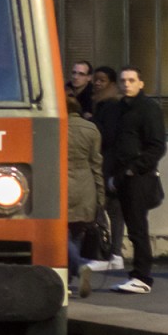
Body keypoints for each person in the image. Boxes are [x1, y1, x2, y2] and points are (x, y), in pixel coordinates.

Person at [110, 67, 167, 294]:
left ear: (141, 83)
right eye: (123, 80)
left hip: (139, 177)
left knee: (138, 227)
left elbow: (157, 146)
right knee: (133, 226)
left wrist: (135, 169)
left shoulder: (148, 109)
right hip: (123, 175)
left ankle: (143, 276)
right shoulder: (120, 109)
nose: (127, 84)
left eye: (131, 80)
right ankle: (138, 275)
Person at [85, 66, 126, 274]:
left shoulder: (109, 106)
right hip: (106, 163)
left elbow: (107, 135)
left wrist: (92, 123)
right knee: (106, 209)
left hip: (109, 164)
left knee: (111, 209)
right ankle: (112, 251)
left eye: (102, 80)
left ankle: (114, 252)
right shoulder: (101, 103)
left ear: (110, 83)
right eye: (96, 80)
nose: (98, 83)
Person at [65, 95, 105, 298]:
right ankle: (71, 277)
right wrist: (100, 197)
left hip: (59, 185)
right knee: (77, 233)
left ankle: (77, 268)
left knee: (61, 235)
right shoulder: (91, 129)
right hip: (85, 186)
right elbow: (96, 165)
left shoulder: (53, 127)